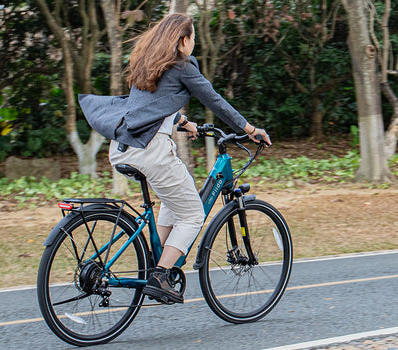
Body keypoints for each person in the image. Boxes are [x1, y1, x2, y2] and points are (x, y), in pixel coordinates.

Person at [78, 13, 271, 304]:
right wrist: (249, 129)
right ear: (183, 40)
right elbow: (214, 99)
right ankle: (160, 274)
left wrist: (181, 121)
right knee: (193, 214)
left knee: (174, 199)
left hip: (123, 147)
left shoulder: (149, 63)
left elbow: (148, 105)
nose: (193, 44)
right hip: (151, 150)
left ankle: (161, 265)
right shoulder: (183, 66)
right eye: (192, 39)